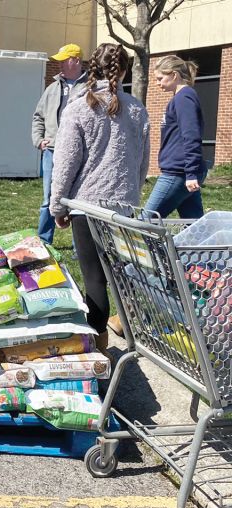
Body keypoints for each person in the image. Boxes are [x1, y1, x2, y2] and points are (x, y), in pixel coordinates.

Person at [49, 43, 150, 354]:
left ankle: (99, 346)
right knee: (119, 274)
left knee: (94, 279)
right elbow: (143, 163)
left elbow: (65, 161)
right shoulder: (136, 109)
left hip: (86, 205)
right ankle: (129, 330)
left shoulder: (80, 108)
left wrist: (57, 204)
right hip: (124, 206)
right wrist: (132, 190)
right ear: (124, 70)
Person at [31, 43, 89, 245]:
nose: (59, 66)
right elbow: (38, 116)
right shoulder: (52, 88)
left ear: (76, 61)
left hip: (81, 153)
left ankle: (79, 246)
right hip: (52, 151)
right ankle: (44, 242)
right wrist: (39, 140)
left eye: (63, 61)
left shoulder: (91, 87)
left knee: (79, 201)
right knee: (49, 198)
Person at [144, 55, 207, 219]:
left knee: (145, 222)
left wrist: (191, 173)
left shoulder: (184, 98)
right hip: (183, 171)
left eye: (160, 78)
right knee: (193, 225)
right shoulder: (181, 97)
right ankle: (205, 246)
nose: (157, 83)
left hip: (179, 173)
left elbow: (191, 136)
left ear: (174, 75)